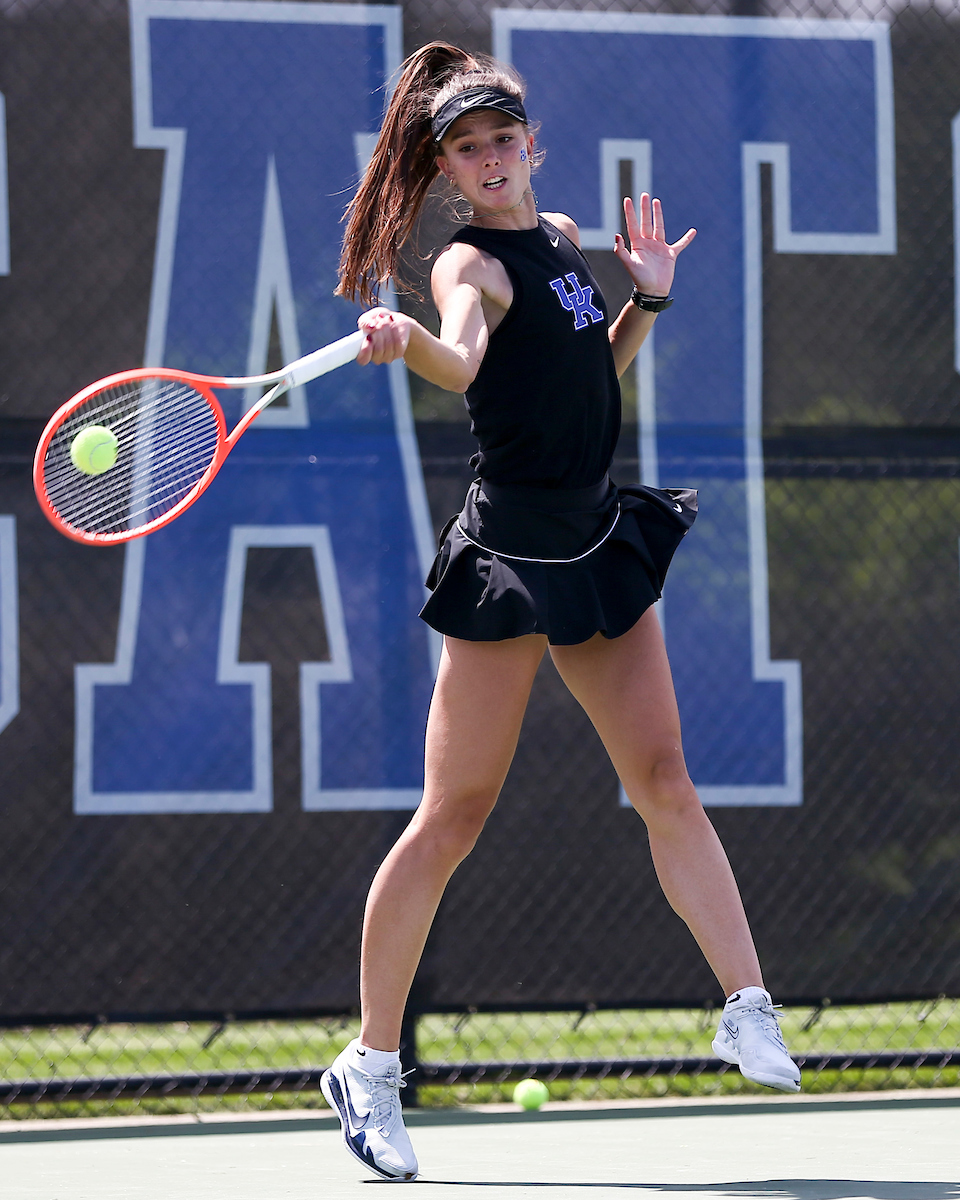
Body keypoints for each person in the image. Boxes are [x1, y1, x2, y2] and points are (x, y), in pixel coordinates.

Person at [320, 42, 800, 1182]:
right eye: (468, 150)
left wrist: (649, 298)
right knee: (453, 817)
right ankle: (369, 1065)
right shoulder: (466, 268)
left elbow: (596, 369)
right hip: (510, 555)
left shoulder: (564, 242)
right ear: (448, 172)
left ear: (533, 144)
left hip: (596, 533)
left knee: (665, 780)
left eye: (503, 140)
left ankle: (746, 1002)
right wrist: (404, 343)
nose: (490, 160)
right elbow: (465, 363)